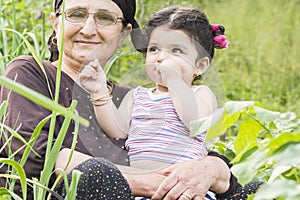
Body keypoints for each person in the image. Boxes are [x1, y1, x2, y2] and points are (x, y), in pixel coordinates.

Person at [0, 0, 261, 200]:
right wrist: (150, 182)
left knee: (263, 188)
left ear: (124, 33)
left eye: (104, 18)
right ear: (56, 23)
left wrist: (212, 169)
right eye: (76, 14)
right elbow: (33, 155)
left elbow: (197, 140)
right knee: (96, 175)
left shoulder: (132, 96)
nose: (88, 29)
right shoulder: (31, 73)